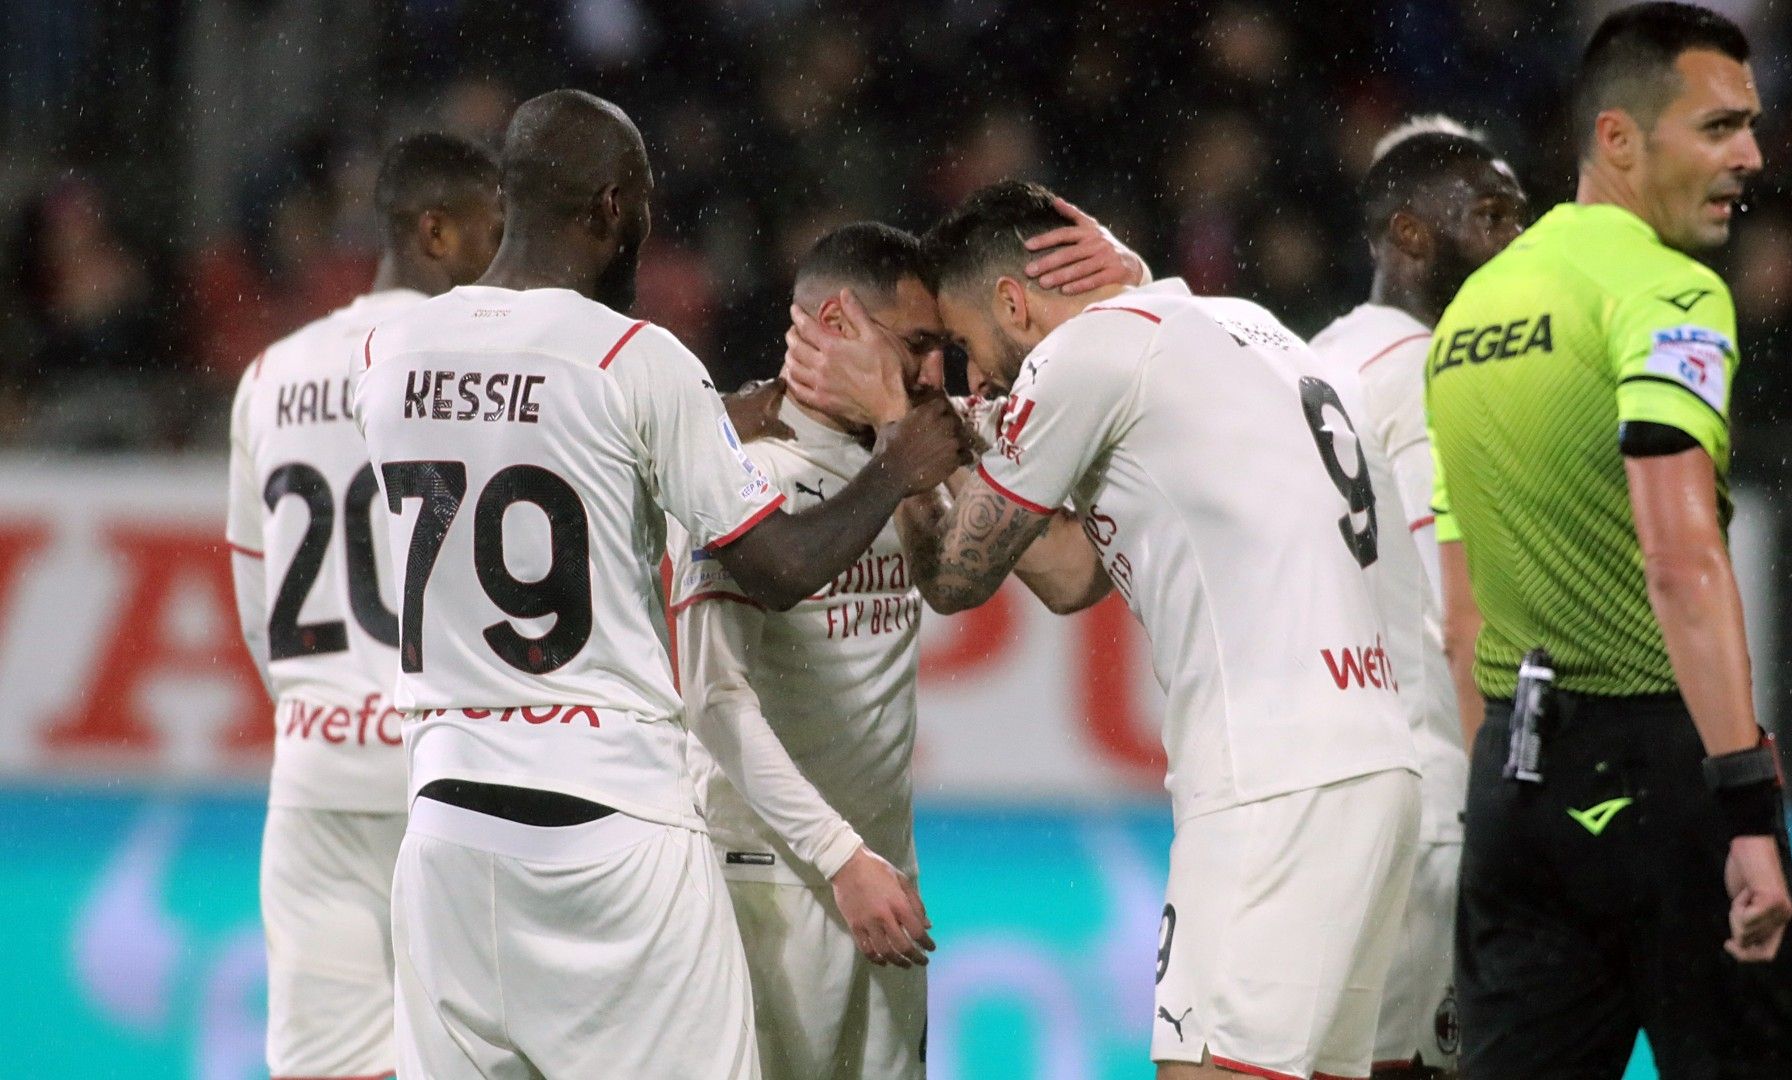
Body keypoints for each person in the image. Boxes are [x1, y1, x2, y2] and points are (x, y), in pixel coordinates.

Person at [353, 89, 968, 1080]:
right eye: (641, 204)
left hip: (447, 824)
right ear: (610, 207)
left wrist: (721, 417)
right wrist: (896, 467)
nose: (644, 227)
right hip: (612, 819)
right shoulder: (636, 358)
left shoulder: (387, 356)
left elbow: (525, 424)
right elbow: (776, 568)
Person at [785, 180, 1421, 1080]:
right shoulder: (1244, 325)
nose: (976, 381)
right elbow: (1073, 576)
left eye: (965, 347)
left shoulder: (1086, 354)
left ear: (1014, 302)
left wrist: (897, 423)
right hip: (1373, 764)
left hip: (1272, 774)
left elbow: (956, 578)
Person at [1425, 5, 1792, 1077]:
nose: (1751, 156)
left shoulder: (1469, 316)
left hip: (1513, 783)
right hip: (1665, 776)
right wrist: (1744, 804)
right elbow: (1679, 560)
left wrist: (1502, 807)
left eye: (1751, 125)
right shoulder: (1665, 291)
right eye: (1719, 127)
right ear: (1618, 139)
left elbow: (1462, 621)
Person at [670, 217, 1139, 1080]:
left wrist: (1130, 285)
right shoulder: (741, 467)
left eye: (943, 350)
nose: (936, 374)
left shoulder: (914, 444)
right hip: (766, 879)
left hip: (883, 878)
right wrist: (839, 858)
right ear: (838, 324)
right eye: (919, 346)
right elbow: (713, 702)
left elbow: (1060, 574)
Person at [226, 131, 502, 1080]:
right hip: (456, 771)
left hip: (319, 773)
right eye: (494, 230)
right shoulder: (484, 369)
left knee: (328, 1065)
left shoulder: (270, 375)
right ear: (436, 232)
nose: (505, 255)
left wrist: (325, 708)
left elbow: (257, 604)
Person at [1307, 117, 1527, 1080]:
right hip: (1431, 793)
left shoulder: (1313, 357)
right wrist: (1500, 801)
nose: (1516, 240)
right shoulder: (1439, 373)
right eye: (1491, 216)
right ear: (1408, 234)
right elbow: (1459, 618)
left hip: (1322, 783)